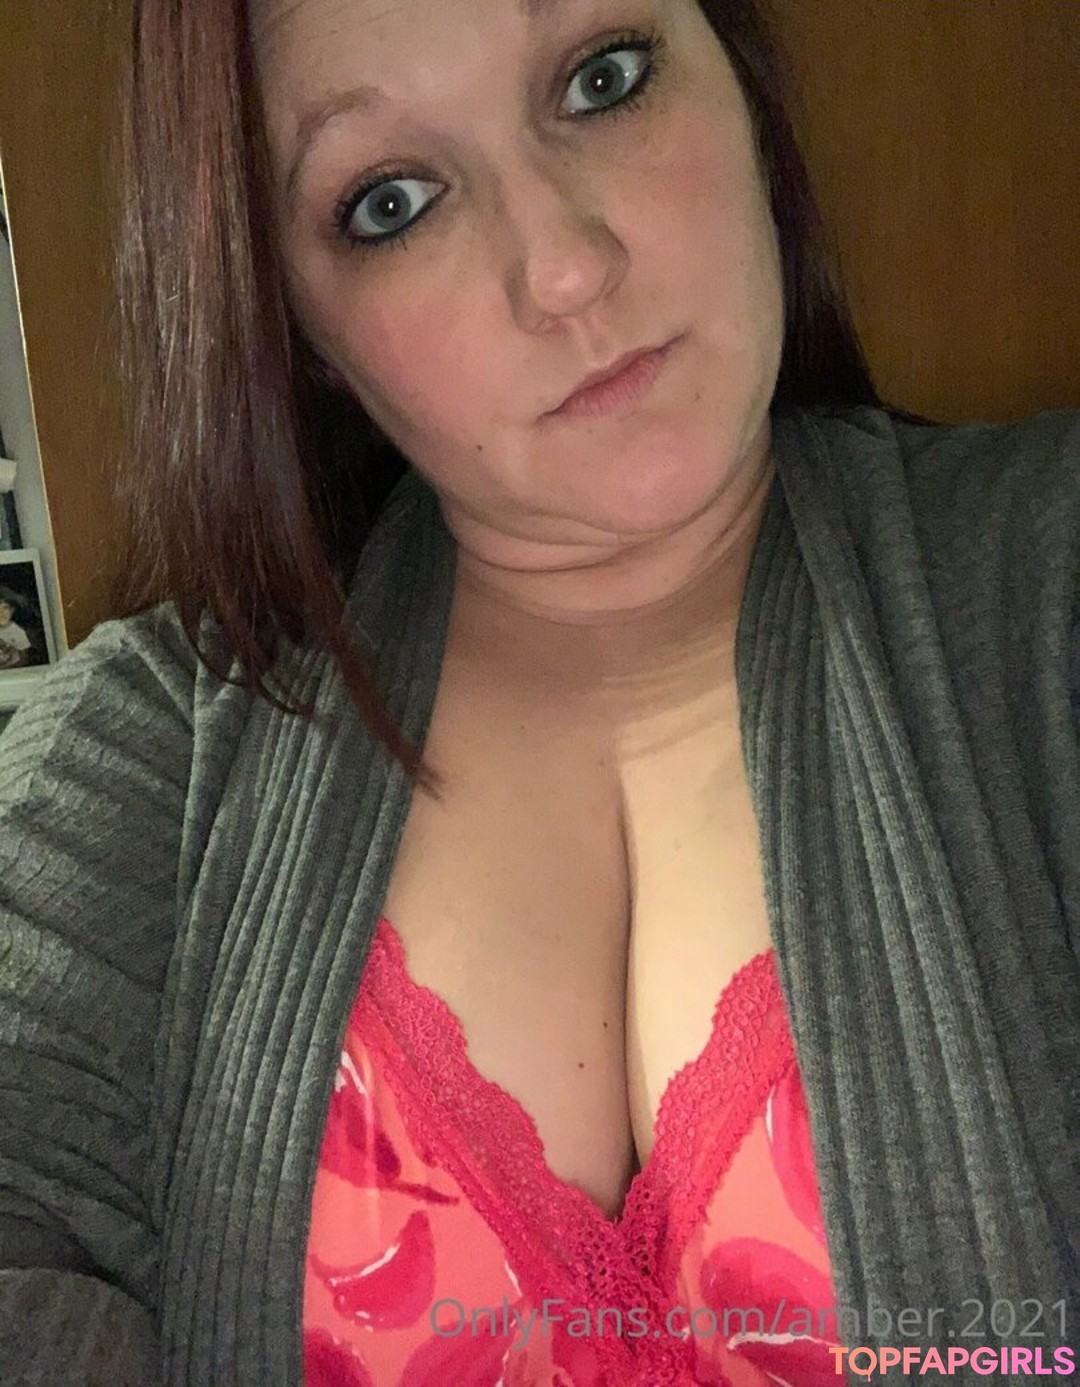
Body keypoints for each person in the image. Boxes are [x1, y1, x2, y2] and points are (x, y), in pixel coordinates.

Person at [0, 0, 1076, 1384]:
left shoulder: (1045, 589)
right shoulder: (152, 756)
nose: (565, 269)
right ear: (299, 321)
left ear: (740, 81)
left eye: (603, 79)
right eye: (393, 201)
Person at [0, 594, 31, 669]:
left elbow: (24, 658)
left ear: (12, 610)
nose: (1, 612)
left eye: (5, 608)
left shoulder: (18, 632)